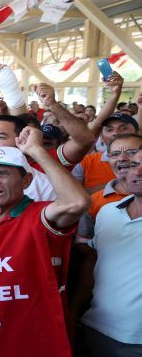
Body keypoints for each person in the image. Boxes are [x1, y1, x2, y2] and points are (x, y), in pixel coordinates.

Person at [0, 127, 90, 357]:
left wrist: (37, 151)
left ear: (26, 180)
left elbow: (77, 202)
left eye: (3, 173)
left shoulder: (40, 215)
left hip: (33, 341)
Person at [77, 150, 142, 357]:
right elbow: (95, 263)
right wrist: (73, 312)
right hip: (95, 328)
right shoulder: (108, 212)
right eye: (132, 165)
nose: (137, 172)